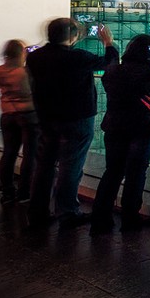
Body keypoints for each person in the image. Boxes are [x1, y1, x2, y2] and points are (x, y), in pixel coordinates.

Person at [26, 18, 118, 229]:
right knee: (71, 165)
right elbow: (110, 62)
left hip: (47, 117)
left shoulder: (36, 57)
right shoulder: (78, 57)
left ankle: (37, 211)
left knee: (44, 165)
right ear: (72, 36)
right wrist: (109, 42)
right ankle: (67, 212)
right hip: (77, 119)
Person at [90, 34, 150, 235]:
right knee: (136, 173)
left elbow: (110, 63)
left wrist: (109, 44)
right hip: (143, 129)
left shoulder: (113, 72)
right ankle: (130, 218)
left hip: (114, 127)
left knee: (112, 173)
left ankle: (100, 219)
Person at [0, 40, 38, 205]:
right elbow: (28, 91)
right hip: (28, 115)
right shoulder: (23, 72)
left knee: (9, 154)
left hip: (7, 114)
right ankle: (24, 191)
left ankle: (7, 192)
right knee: (29, 154)